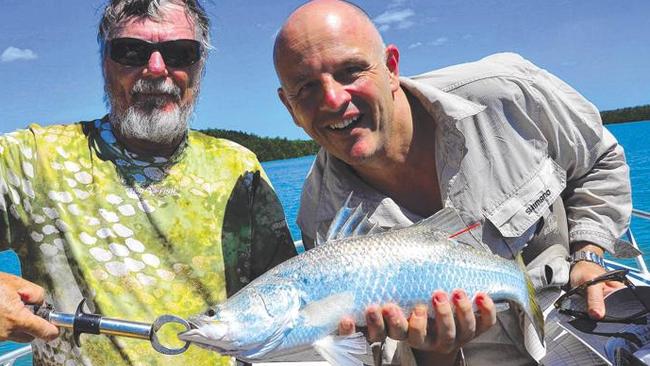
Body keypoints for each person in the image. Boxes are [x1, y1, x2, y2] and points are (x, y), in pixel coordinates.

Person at [273, 0, 633, 365]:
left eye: (351, 71)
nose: (334, 99)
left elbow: (599, 159)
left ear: (391, 67)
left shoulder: (509, 94)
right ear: (289, 108)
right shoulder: (321, 219)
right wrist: (434, 352)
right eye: (305, 88)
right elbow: (368, 350)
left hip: (577, 316)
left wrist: (589, 256)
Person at [0, 0, 297, 365]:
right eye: (131, 51)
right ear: (105, 62)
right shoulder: (31, 161)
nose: (156, 69)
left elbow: (285, 303)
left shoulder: (239, 168)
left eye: (180, 53)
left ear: (200, 65)